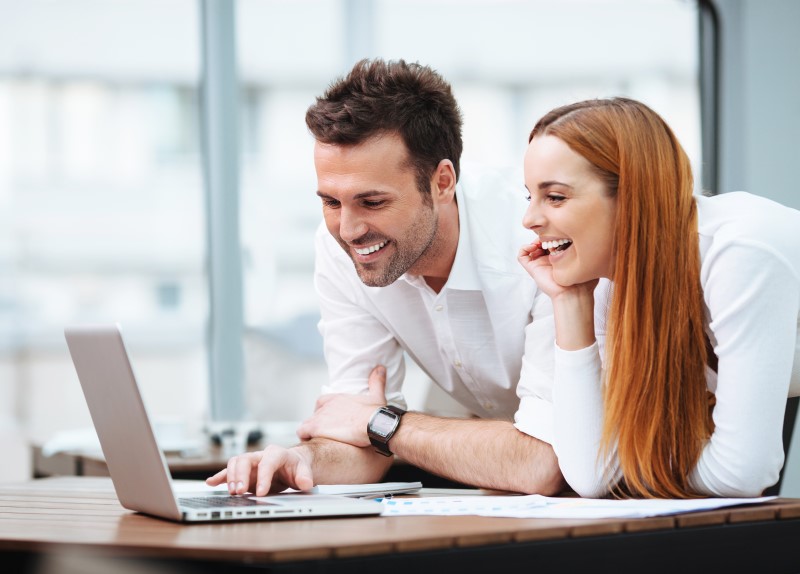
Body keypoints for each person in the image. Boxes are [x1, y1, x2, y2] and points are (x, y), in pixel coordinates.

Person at [207, 59, 563, 497]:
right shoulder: (342, 247)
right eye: (331, 202)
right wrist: (302, 461)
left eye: (372, 202)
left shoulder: (539, 237)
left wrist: (383, 424)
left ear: (442, 182)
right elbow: (356, 431)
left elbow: (542, 462)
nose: (349, 230)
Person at [517, 97, 800, 499]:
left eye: (556, 197)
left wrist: (636, 467)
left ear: (632, 195)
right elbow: (594, 474)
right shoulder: (612, 282)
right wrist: (569, 303)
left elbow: (743, 473)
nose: (529, 219)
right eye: (528, 195)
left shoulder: (741, 251)